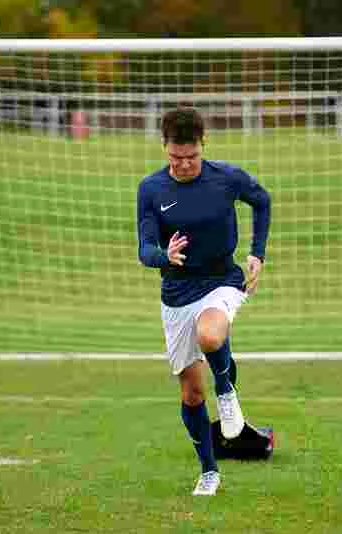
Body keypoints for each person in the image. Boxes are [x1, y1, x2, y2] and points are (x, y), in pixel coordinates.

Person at [136, 107, 271, 496]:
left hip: (221, 281)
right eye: (176, 157)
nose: (183, 164)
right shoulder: (151, 189)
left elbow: (262, 200)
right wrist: (163, 256)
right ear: (165, 148)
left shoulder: (226, 178)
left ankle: (227, 392)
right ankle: (209, 471)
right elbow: (145, 248)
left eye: (191, 157)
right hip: (177, 294)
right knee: (192, 393)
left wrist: (257, 253)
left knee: (210, 336)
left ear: (202, 146)